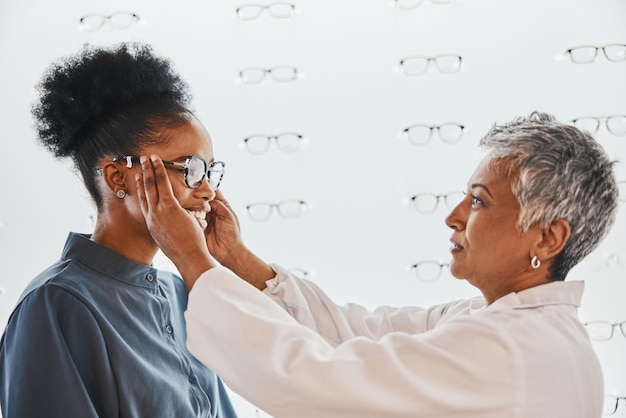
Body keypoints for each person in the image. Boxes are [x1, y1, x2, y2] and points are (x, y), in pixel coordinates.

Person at [136, 112, 619, 418]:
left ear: (548, 237)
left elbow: (313, 381)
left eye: (478, 201)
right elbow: (355, 332)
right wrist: (233, 259)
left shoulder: (512, 351)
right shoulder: (500, 325)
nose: (453, 216)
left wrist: (192, 260)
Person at [0, 42, 238, 418]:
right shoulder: (56, 304)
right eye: (190, 169)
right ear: (116, 177)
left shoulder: (178, 293)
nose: (207, 190)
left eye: (209, 171)